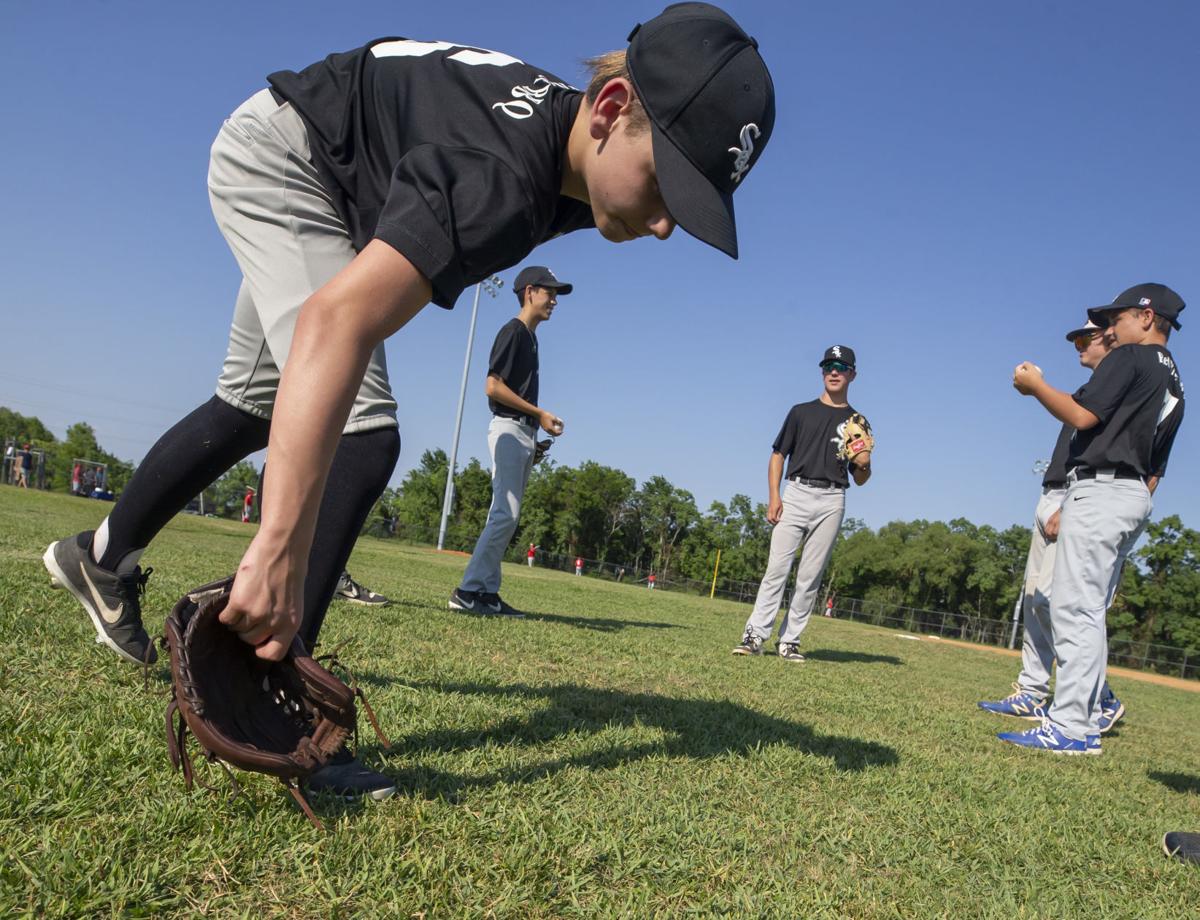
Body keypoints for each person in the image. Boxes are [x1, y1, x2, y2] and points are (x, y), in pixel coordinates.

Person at [42, 4, 775, 799]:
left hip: (323, 168)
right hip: (293, 165)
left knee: (257, 403)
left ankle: (102, 557)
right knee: (363, 433)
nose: (667, 225)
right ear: (610, 109)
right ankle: (273, 706)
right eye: (668, 184)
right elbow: (337, 318)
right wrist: (280, 542)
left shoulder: (567, 159)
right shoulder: (508, 173)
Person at [1001, 283, 1185, 754]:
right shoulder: (1175, 378)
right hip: (1132, 493)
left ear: (1146, 317)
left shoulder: (1130, 357)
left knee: (1074, 609)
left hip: (1103, 488)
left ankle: (1072, 727)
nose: (1109, 327)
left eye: (1117, 318)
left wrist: (1035, 386)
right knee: (1086, 610)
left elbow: (1083, 417)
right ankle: (1082, 716)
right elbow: (1157, 465)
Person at [979, 320, 1126, 733]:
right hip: (1054, 492)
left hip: (1076, 496)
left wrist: (1070, 505)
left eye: (1086, 338)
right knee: (1034, 599)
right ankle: (1032, 689)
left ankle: (1100, 697)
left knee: (1060, 604)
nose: (1078, 346)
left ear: (1112, 339)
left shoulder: (1122, 386)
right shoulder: (1091, 390)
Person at [733, 346, 873, 662]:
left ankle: (790, 641)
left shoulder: (857, 421)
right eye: (828, 366)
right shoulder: (800, 412)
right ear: (822, 371)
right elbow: (778, 454)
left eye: (841, 366)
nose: (833, 371)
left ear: (853, 374)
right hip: (796, 492)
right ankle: (754, 636)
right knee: (776, 569)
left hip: (833, 498)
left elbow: (861, 477)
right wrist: (774, 496)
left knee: (810, 576)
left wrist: (863, 463)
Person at [449, 266, 572, 618]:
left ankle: (486, 592)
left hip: (521, 432)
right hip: (507, 428)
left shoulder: (531, 338)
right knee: (505, 514)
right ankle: (468, 590)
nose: (554, 300)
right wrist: (539, 413)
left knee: (507, 516)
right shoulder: (514, 331)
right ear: (530, 291)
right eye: (550, 292)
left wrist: (534, 431)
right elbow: (493, 386)